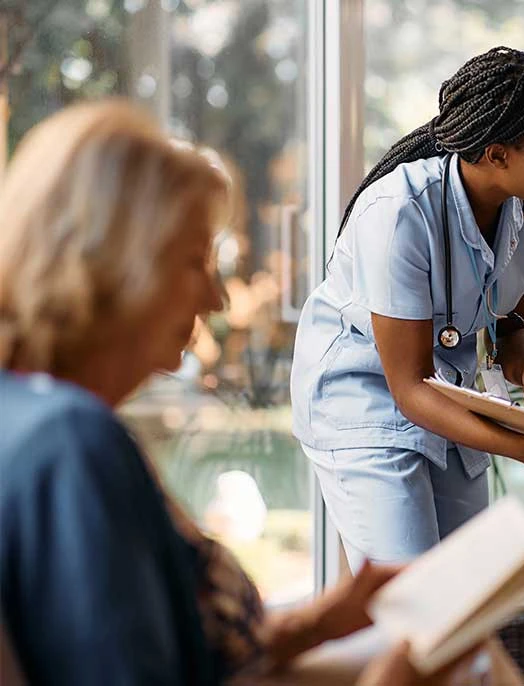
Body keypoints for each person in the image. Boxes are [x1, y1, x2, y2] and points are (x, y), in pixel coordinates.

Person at [0, 100, 479, 685]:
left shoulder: (30, 417)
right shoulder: (69, 445)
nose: (217, 299)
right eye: (195, 260)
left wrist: (314, 623)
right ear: (108, 267)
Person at [290, 46, 524, 569]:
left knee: (464, 604)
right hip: (367, 402)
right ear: (498, 153)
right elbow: (408, 386)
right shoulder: (399, 214)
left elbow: (507, 322)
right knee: (416, 606)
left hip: (447, 398)